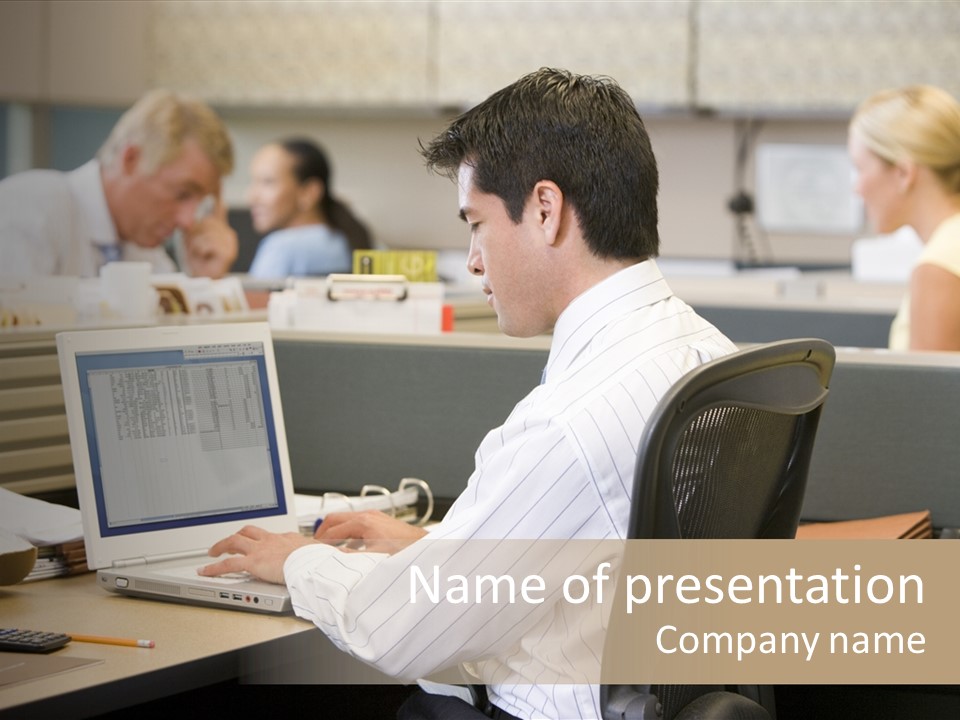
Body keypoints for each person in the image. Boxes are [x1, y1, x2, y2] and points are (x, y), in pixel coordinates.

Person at [200, 68, 737, 720]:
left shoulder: (569, 422)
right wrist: (435, 551)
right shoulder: (704, 350)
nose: (474, 260)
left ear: (546, 209)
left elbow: (399, 630)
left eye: (477, 223)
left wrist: (301, 560)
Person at [0, 89, 238, 279]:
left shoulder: (146, 253)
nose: (187, 222)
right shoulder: (30, 210)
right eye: (182, 194)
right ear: (131, 159)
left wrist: (202, 282)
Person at [848, 85, 960, 351]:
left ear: (903, 174)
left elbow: (931, 392)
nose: (857, 188)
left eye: (860, 168)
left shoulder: (939, 267)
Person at [246, 138, 372, 278]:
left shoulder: (281, 248)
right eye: (254, 181)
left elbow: (252, 299)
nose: (252, 196)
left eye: (268, 182)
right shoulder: (352, 239)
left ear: (309, 192)